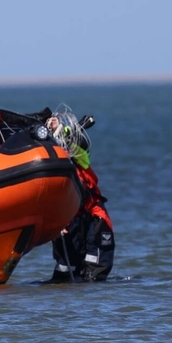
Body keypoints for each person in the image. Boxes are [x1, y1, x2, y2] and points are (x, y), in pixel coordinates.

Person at [47, 115, 115, 282]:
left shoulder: (80, 159)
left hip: (93, 216)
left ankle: (90, 303)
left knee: (94, 270)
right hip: (68, 221)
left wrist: (60, 129)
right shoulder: (48, 172)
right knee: (63, 272)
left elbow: (80, 146)